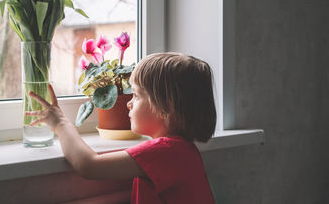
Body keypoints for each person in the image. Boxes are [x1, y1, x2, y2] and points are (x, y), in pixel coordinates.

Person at [27, 52, 216, 203]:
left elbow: (89, 165)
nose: (128, 103)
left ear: (166, 106)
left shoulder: (166, 151)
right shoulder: (183, 151)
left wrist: (60, 123)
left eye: (136, 95)